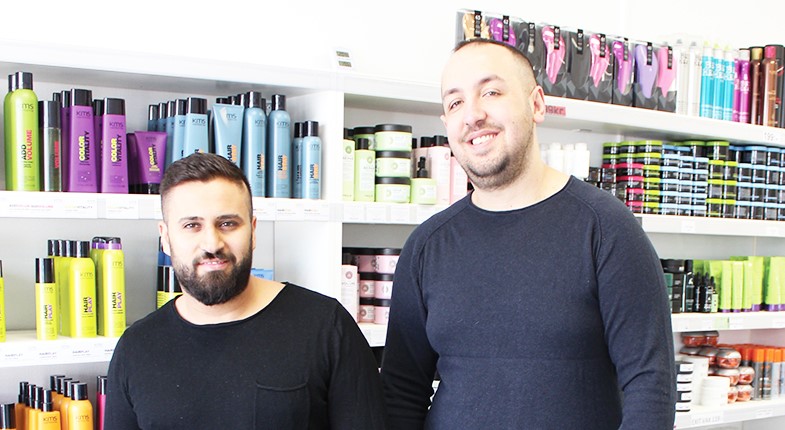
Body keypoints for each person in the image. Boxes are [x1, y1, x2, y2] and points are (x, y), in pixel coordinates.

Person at [380, 39, 676, 429]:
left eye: (491, 92)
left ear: (536, 104)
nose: (473, 115)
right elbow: (401, 392)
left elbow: (650, 386)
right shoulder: (426, 246)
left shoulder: (607, 230)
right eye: (455, 103)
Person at [105, 152, 386, 429]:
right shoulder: (136, 348)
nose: (212, 243)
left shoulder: (325, 326)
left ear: (252, 231)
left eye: (227, 224)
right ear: (166, 238)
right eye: (192, 225)